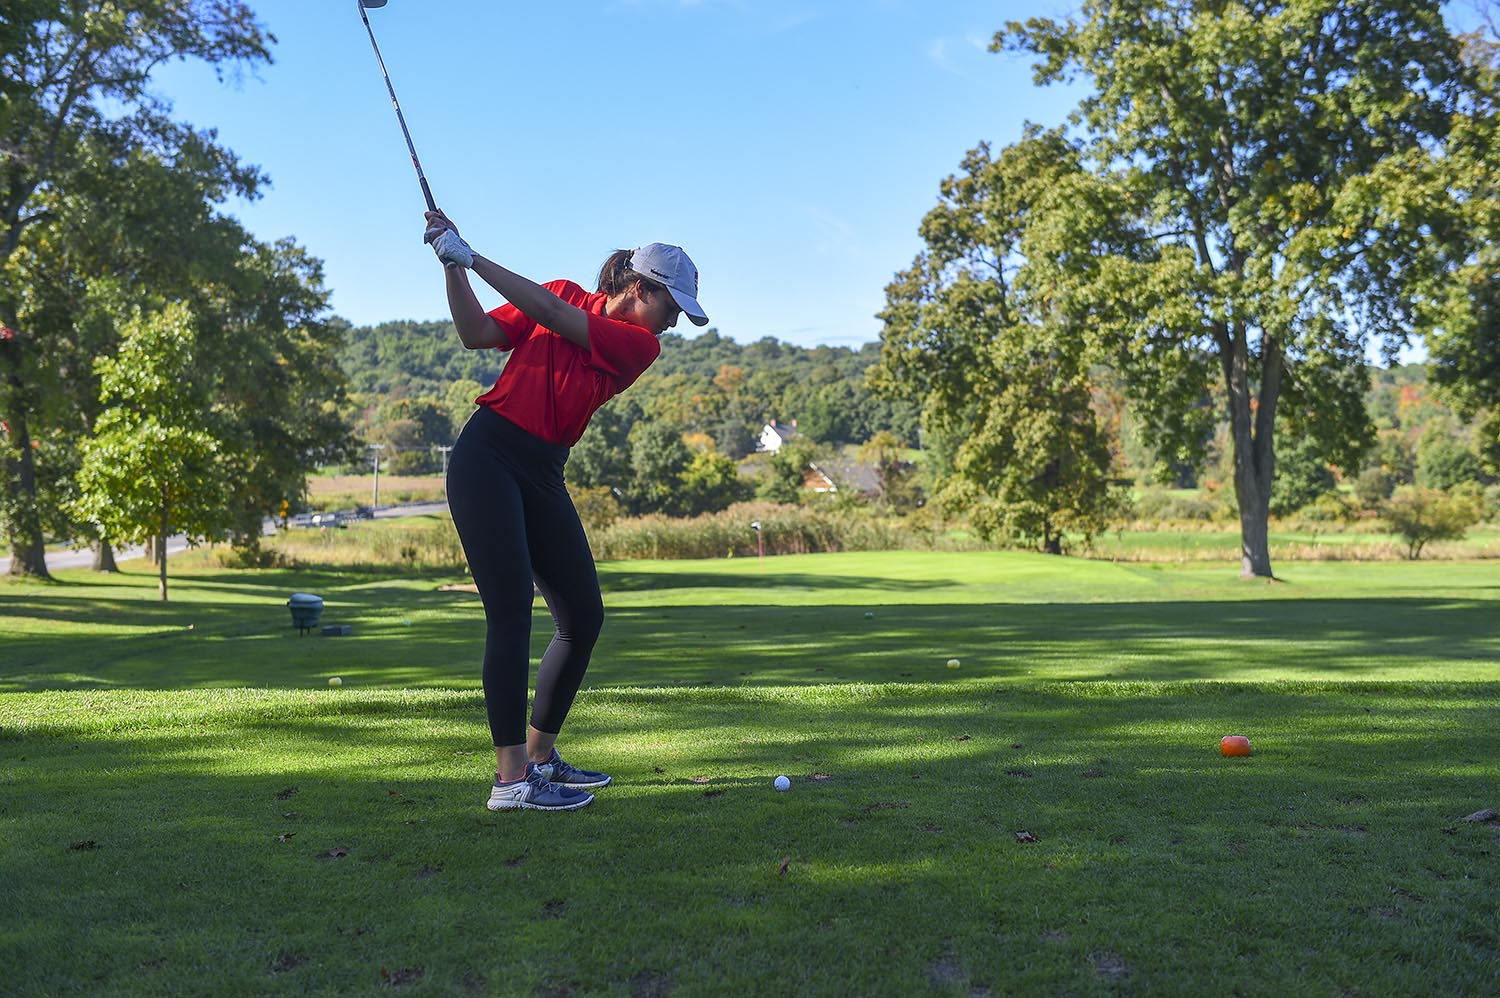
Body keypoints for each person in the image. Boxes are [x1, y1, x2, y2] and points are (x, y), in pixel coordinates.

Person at [423, 210, 708, 812]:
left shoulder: (639, 344)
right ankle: (511, 783)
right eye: (672, 306)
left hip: (542, 469)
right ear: (639, 288)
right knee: (510, 613)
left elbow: (557, 320)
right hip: (487, 456)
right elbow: (475, 333)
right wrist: (454, 266)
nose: (675, 322)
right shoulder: (558, 292)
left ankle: (539, 758)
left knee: (582, 615)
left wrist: (472, 254)